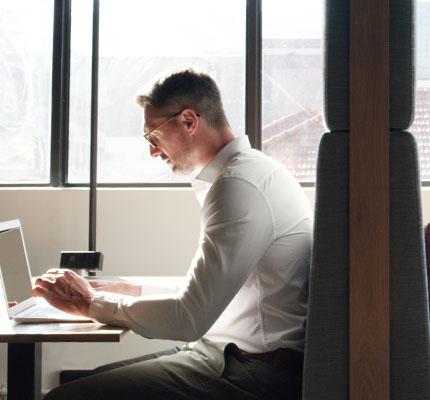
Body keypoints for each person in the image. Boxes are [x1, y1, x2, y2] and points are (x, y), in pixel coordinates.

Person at [32, 66, 313, 400]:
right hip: (229, 354)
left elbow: (188, 318)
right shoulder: (248, 174)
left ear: (189, 121)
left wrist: (91, 302)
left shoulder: (239, 188)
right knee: (91, 381)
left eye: (153, 135)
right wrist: (131, 289)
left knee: (65, 398)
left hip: (254, 371)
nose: (152, 150)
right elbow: (211, 292)